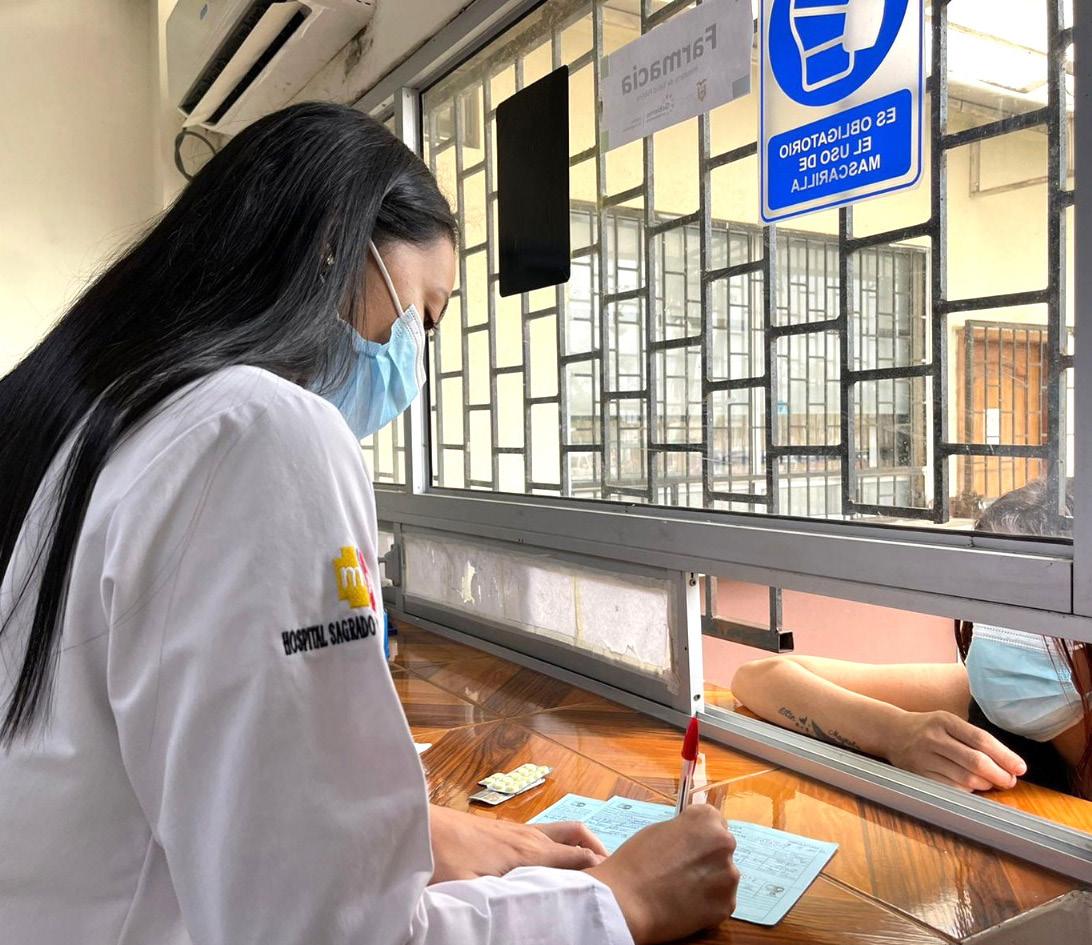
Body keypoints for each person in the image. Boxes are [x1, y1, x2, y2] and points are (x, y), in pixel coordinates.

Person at [0, 103, 739, 945]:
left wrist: (404, 833)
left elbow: (146, 782)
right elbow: (328, 932)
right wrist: (618, 902)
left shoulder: (83, 424)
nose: (412, 358)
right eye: (422, 316)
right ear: (333, 248)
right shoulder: (253, 432)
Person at [731, 479, 1092, 799]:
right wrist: (895, 734)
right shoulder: (979, 701)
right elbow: (759, 679)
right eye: (988, 606)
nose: (997, 638)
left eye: (1029, 611)